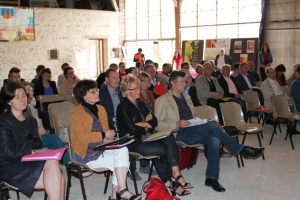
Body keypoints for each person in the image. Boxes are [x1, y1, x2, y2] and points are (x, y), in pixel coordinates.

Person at [155, 71, 265, 192]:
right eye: (182, 82)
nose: (185, 84)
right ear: (172, 83)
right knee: (212, 126)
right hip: (178, 133)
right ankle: (240, 149)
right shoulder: (163, 100)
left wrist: (198, 121)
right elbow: (157, 125)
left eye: (185, 81)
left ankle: (211, 178)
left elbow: (192, 115)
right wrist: (176, 123)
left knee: (215, 140)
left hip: (192, 129)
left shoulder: (187, 97)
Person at [117, 75, 192, 197]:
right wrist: (146, 124)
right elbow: (133, 129)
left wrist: (143, 124)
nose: (138, 91)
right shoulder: (122, 108)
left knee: (169, 137)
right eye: (134, 89)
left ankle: (175, 176)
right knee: (170, 149)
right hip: (134, 142)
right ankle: (175, 180)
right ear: (126, 91)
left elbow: (155, 121)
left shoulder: (140, 104)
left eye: (139, 88)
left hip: (147, 137)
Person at [70, 79, 141, 200]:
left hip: (102, 147)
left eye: (97, 90)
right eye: (92, 92)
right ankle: (118, 193)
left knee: (123, 150)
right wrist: (103, 135)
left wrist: (109, 137)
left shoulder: (101, 109)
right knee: (120, 163)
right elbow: (82, 137)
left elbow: (106, 130)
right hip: (86, 151)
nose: (97, 93)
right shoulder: (77, 113)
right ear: (83, 96)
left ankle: (118, 192)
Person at [0, 82, 65, 199]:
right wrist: (33, 152)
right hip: (11, 164)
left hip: (29, 161)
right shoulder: (3, 121)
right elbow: (9, 152)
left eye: (23, 95)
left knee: (58, 174)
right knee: (57, 176)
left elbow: (37, 145)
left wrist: (42, 150)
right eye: (17, 97)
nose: (22, 100)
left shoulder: (31, 120)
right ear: (8, 102)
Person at [99, 69, 146, 181]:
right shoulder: (102, 95)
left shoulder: (122, 93)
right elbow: (103, 116)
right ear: (106, 80)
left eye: (118, 78)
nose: (117, 80)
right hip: (111, 124)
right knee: (129, 133)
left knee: (136, 130)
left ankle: (144, 165)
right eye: (113, 78)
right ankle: (130, 168)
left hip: (124, 121)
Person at [23, 81, 71, 164]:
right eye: (28, 90)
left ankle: (65, 161)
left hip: (37, 136)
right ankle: (69, 162)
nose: (30, 93)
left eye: (31, 91)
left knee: (53, 147)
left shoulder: (30, 107)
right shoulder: (23, 109)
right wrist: (36, 132)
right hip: (31, 138)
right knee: (54, 138)